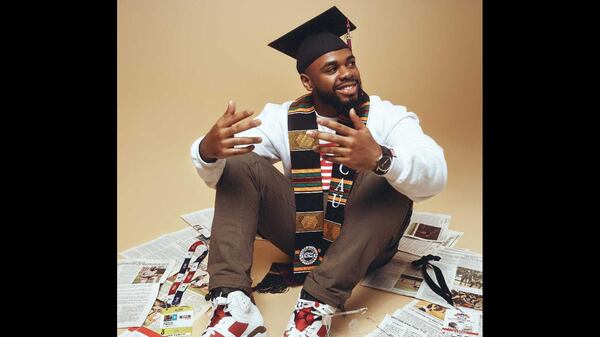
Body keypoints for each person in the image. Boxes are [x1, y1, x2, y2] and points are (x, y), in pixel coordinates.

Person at [190, 6, 447, 337]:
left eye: (349, 63)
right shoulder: (282, 117)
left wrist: (380, 158)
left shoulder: (387, 116)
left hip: (364, 241)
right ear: (308, 81)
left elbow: (436, 172)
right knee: (240, 160)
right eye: (331, 68)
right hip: (303, 235)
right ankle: (233, 301)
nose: (346, 73)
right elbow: (225, 170)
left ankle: (313, 308)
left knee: (388, 175)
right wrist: (207, 151)